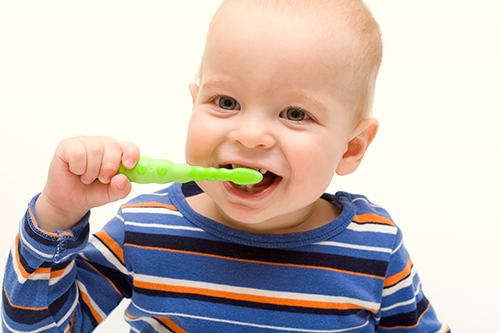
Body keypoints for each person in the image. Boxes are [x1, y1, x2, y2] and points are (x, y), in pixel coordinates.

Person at [2, 0, 450, 332]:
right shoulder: (144, 227)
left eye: (296, 114)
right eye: (227, 102)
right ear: (194, 103)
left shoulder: (374, 247)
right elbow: (38, 326)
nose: (249, 135)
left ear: (351, 148)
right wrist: (56, 216)